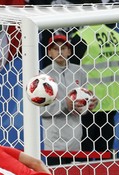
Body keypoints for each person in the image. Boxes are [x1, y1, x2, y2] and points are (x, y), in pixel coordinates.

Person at [41, 31, 97, 166]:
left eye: (63, 48)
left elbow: (83, 104)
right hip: (54, 145)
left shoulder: (80, 72)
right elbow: (41, 111)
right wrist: (65, 104)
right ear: (49, 53)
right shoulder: (43, 76)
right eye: (55, 48)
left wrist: (90, 103)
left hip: (76, 142)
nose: (59, 51)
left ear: (69, 51)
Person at [72, 24, 119, 158]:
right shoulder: (117, 37)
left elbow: (71, 68)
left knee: (85, 150)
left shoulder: (82, 36)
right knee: (105, 150)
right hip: (113, 97)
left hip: (89, 101)